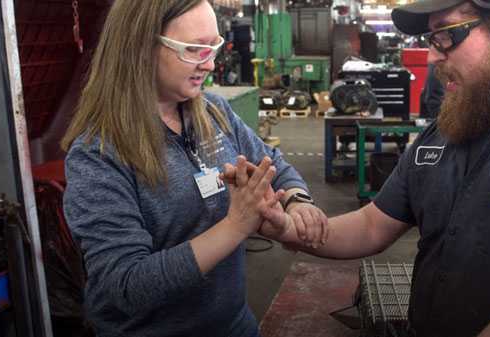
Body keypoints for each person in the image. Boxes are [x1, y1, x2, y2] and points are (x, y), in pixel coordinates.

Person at [241, 0, 490, 336]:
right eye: (430, 38)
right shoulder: (450, 128)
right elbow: (371, 226)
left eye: (446, 35)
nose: (433, 54)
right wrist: (290, 229)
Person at [60, 1, 327, 336]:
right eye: (194, 49)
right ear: (141, 47)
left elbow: (271, 162)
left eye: (213, 46)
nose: (211, 63)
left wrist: (297, 200)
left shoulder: (213, 112)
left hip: (233, 325)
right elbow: (126, 285)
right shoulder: (98, 154)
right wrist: (236, 225)